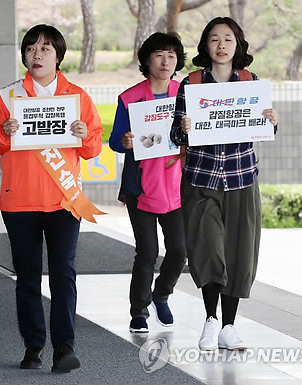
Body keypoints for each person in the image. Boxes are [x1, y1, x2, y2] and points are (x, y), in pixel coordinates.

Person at [0, 24, 102, 373]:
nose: (37, 54)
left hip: (64, 200)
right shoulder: (8, 97)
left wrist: (83, 136)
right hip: (19, 201)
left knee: (64, 273)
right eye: (31, 48)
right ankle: (33, 345)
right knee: (28, 277)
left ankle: (65, 347)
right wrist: (3, 134)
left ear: (58, 56)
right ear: (24, 55)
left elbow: (94, 146)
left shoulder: (77, 97)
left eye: (46, 48)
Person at [170, 17, 278, 351]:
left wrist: (271, 122)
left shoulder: (251, 82)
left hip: (242, 178)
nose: (221, 45)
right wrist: (184, 127)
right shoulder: (191, 83)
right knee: (208, 250)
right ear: (205, 46)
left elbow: (263, 129)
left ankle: (229, 327)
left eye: (228, 39)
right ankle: (210, 319)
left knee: (239, 254)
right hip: (202, 179)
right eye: (214, 39)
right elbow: (175, 135)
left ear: (238, 45)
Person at [109, 33, 187, 334]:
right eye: (158, 54)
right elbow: (115, 140)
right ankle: (138, 311)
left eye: (171, 55)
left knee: (180, 251)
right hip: (141, 187)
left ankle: (161, 294)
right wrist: (125, 141)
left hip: (178, 186)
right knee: (147, 252)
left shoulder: (186, 93)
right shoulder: (130, 98)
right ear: (146, 60)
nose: (165, 61)